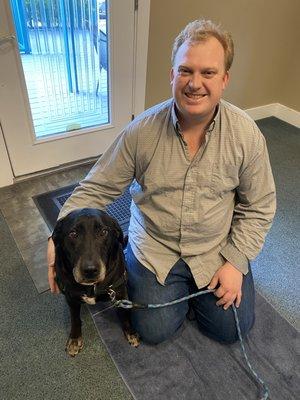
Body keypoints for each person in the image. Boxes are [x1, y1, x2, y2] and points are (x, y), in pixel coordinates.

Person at [47, 19, 276, 345]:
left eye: (208, 73)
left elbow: (260, 206)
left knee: (230, 329)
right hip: (157, 248)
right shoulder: (141, 132)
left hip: (215, 247)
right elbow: (96, 187)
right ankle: (178, 291)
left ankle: (203, 290)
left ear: (224, 80)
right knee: (153, 330)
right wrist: (56, 235)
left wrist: (236, 262)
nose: (195, 83)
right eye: (185, 71)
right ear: (172, 75)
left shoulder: (246, 135)